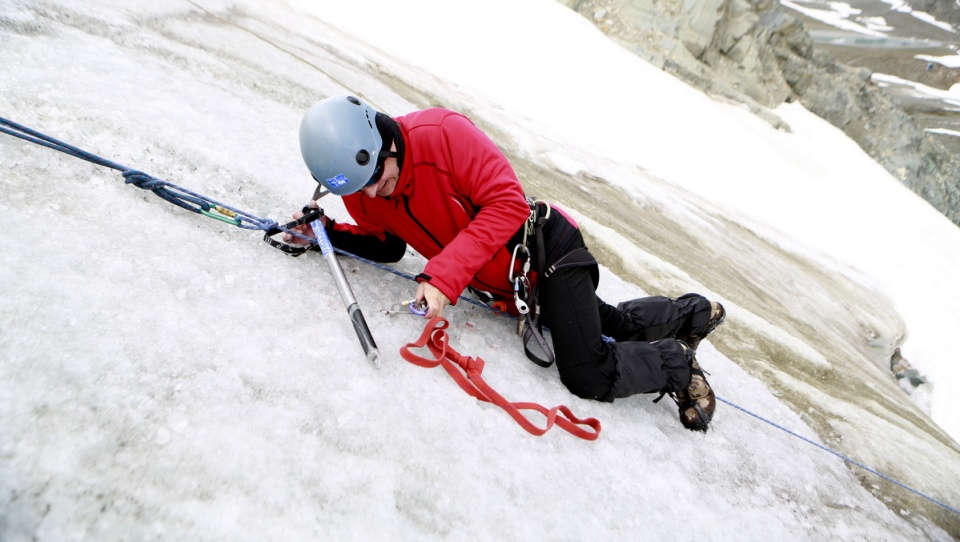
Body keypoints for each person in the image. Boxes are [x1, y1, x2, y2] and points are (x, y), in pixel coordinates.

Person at [284, 95, 725, 431]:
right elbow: (387, 244)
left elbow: (508, 205)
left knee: (587, 371)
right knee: (609, 322)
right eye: (359, 191)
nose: (373, 196)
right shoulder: (363, 187)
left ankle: (677, 363)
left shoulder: (443, 135)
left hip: (548, 252)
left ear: (382, 141)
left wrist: (443, 275)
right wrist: (325, 232)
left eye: (379, 180)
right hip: (510, 283)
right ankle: (692, 314)